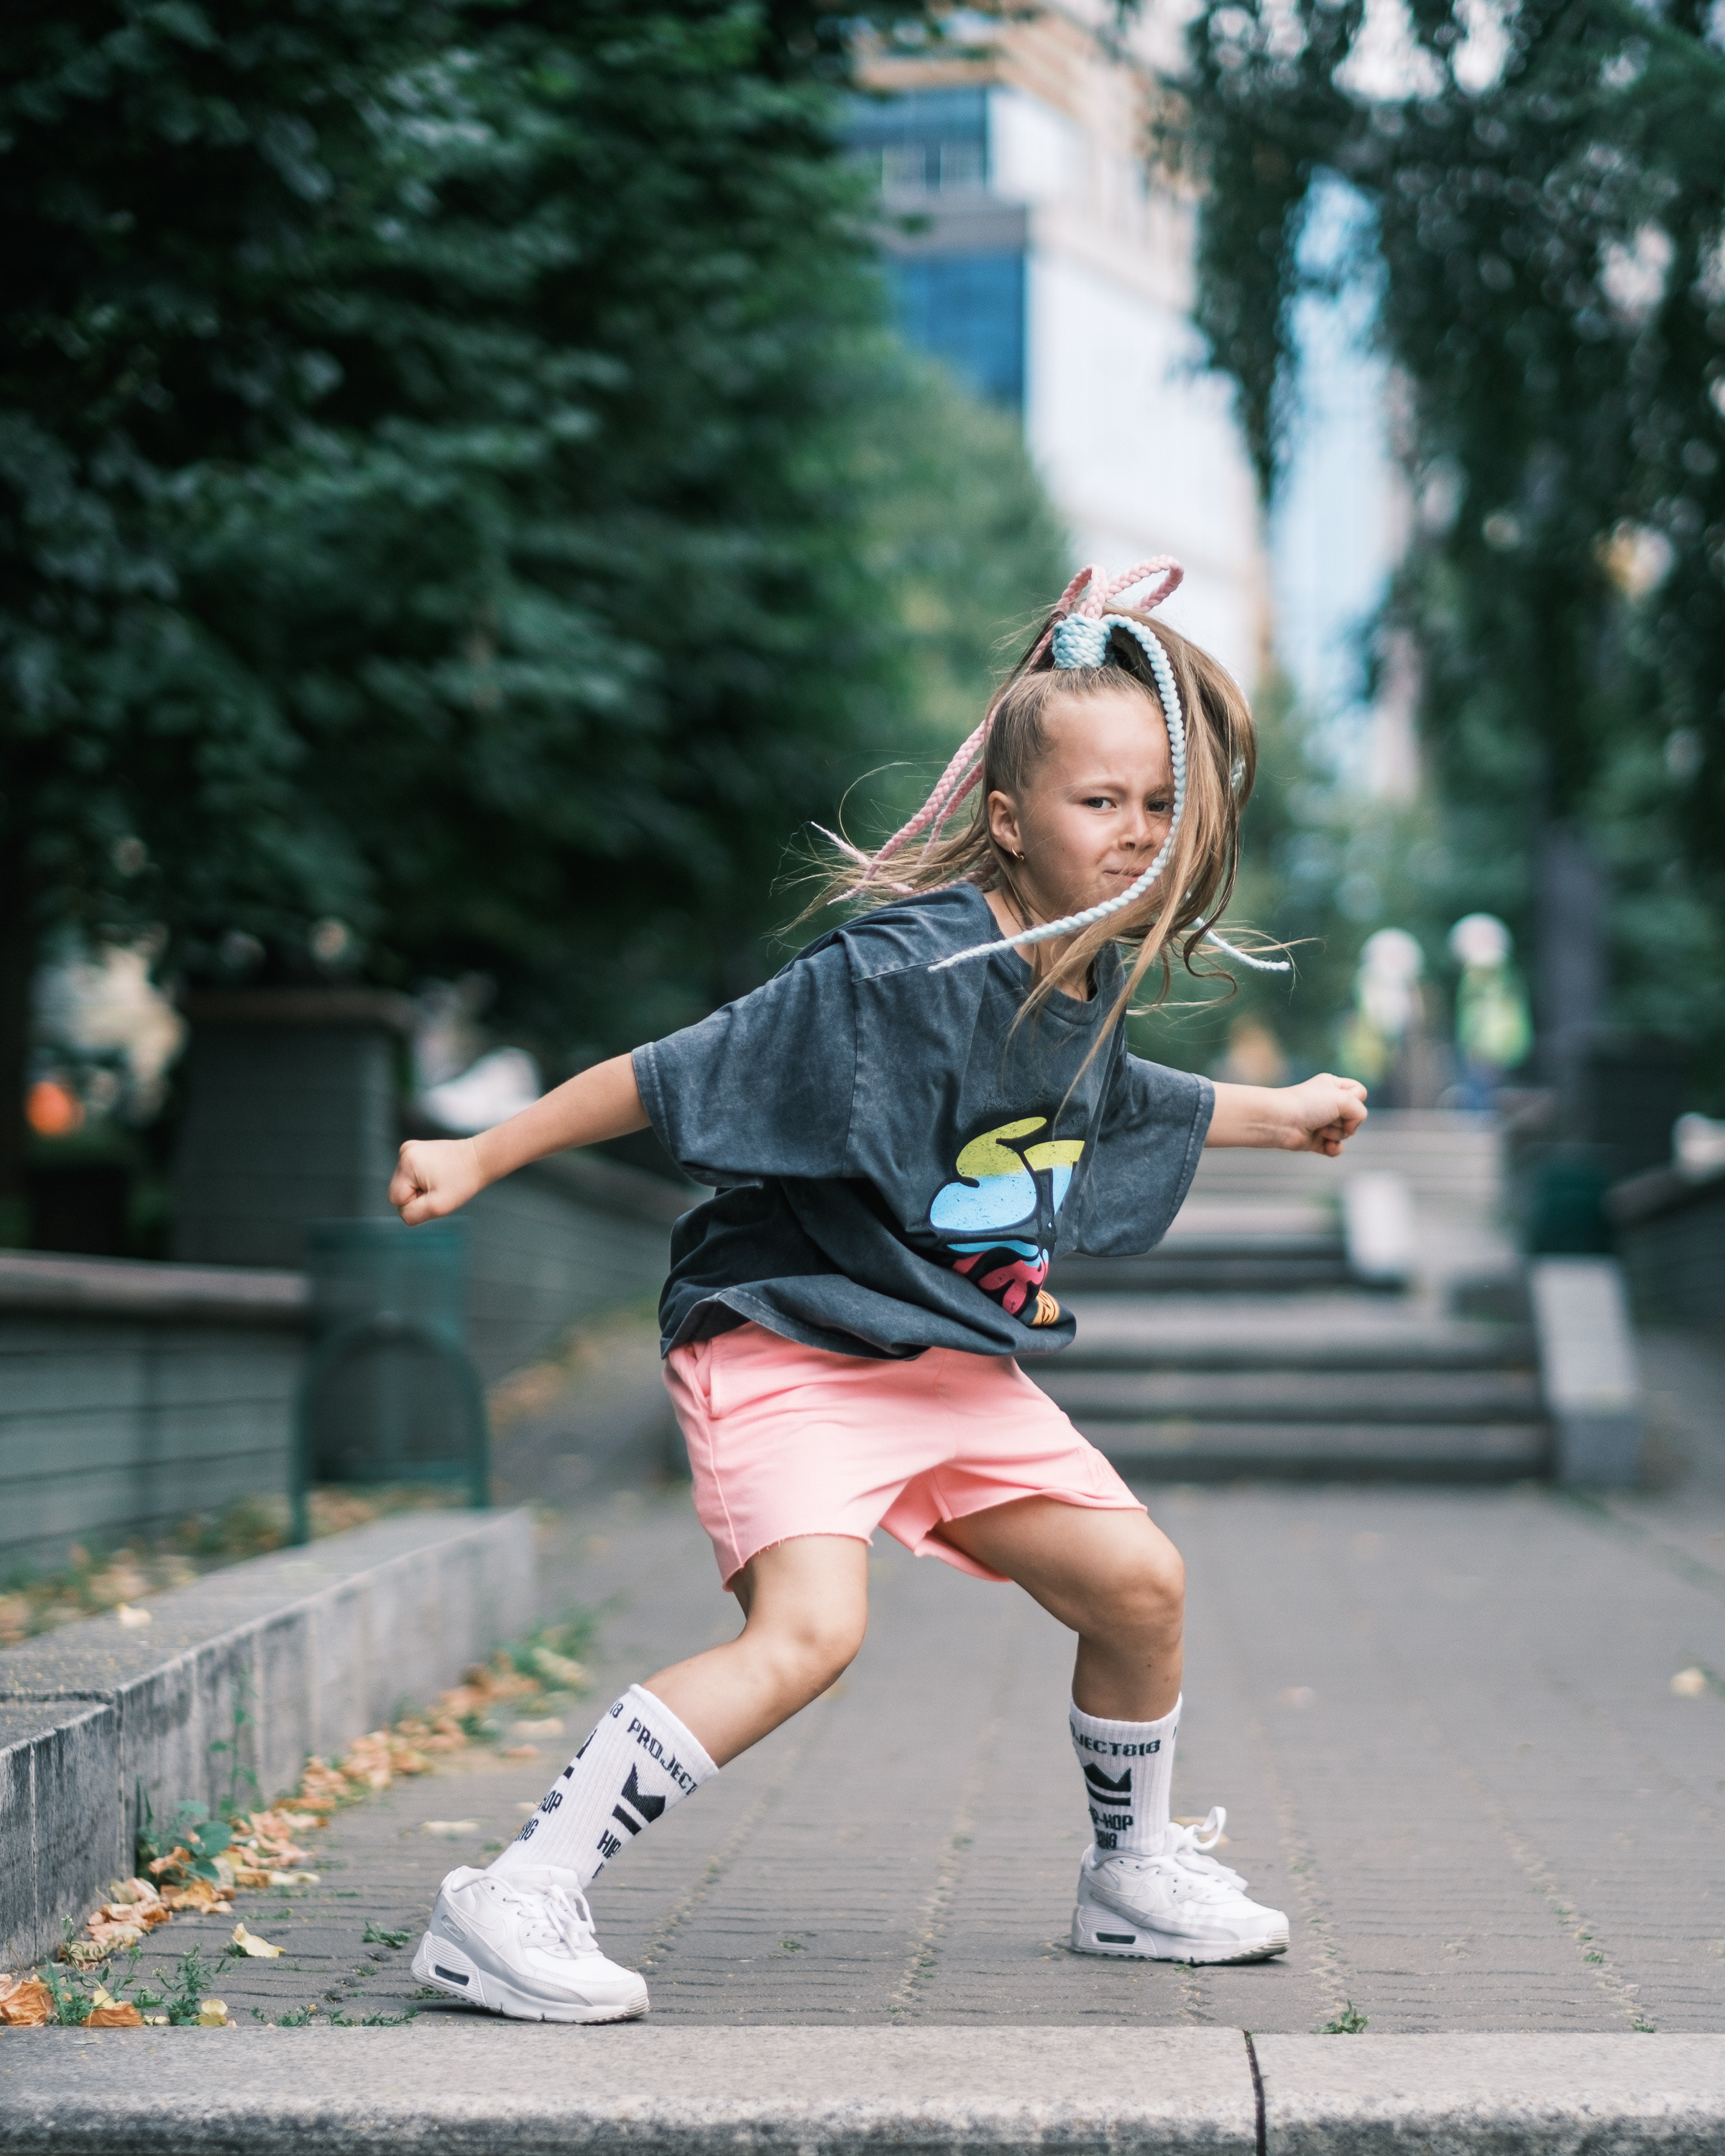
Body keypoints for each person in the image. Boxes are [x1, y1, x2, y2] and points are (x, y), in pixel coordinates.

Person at [390, 560, 1367, 2024]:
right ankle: (511, 1899)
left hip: (946, 1357)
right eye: (1100, 804)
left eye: (1158, 807)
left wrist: (1277, 1112)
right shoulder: (896, 971)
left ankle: (1132, 1879)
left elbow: (1109, 1098)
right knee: (809, 1637)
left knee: (1140, 1586)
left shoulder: (1070, 981)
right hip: (791, 1330)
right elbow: (676, 1070)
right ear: (1007, 820)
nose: (1137, 833)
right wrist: (484, 1152)